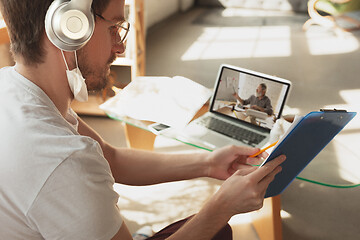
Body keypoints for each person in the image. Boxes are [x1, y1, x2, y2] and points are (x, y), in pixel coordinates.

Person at [0, 0, 286, 239]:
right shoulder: (64, 162)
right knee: (219, 230)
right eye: (113, 28)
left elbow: (110, 157)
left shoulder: (15, 88)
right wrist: (222, 207)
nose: (120, 47)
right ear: (68, 27)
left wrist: (209, 163)